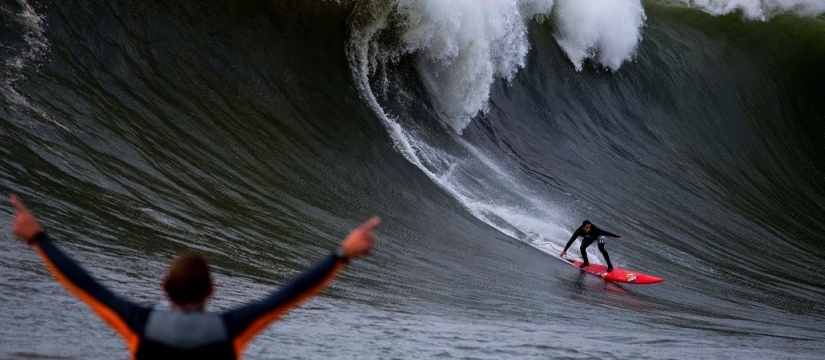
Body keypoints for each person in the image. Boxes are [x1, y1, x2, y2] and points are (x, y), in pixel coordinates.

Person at [9, 194, 379, 359]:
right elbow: (290, 293)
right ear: (212, 290)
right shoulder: (231, 330)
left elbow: (83, 283)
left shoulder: (138, 325)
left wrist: (37, 237)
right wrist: (342, 253)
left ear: (164, 288)